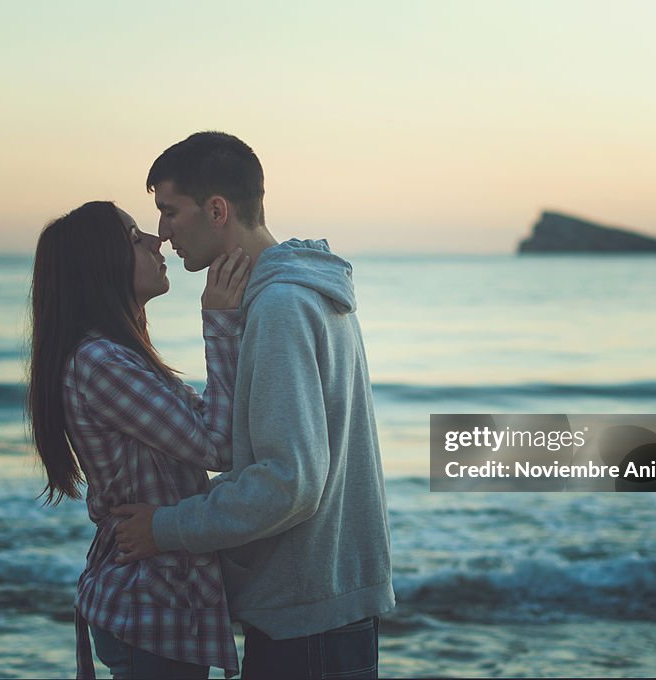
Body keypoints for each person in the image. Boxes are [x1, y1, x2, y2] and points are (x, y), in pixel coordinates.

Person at [111, 132, 395, 680]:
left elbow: (287, 482)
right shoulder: (307, 291)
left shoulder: (281, 307)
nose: (163, 234)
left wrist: (165, 527)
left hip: (305, 620)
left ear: (217, 209)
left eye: (169, 212)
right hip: (325, 608)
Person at [27, 200, 249, 679]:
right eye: (133, 237)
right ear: (99, 267)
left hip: (159, 604)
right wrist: (220, 322)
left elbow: (204, 430)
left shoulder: (118, 356)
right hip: (149, 605)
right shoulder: (101, 362)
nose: (156, 239)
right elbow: (218, 443)